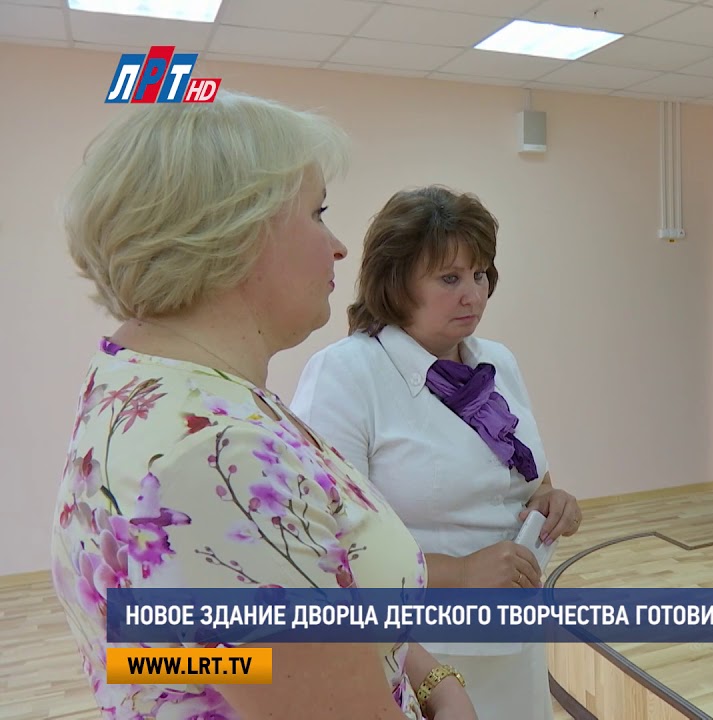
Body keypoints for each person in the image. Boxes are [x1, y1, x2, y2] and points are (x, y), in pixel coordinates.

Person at [50, 92, 476, 720]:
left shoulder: (148, 379)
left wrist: (431, 677)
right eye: (317, 212)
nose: (338, 246)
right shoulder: (216, 457)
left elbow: (218, 659)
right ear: (235, 232)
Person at [290, 185, 582, 720]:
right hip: (422, 650)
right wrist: (462, 573)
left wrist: (550, 500)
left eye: (480, 275)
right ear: (397, 282)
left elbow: (528, 477)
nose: (473, 296)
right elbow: (327, 545)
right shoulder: (347, 373)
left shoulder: (497, 361)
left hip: (516, 633)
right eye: (450, 279)